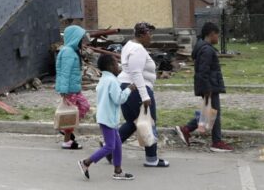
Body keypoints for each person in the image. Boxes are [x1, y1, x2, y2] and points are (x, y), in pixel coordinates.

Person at [118, 22, 170, 167]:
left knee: (133, 122)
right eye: (149, 34)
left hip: (126, 86)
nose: (151, 37)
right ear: (141, 35)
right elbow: (136, 74)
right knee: (149, 121)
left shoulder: (129, 45)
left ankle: (109, 149)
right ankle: (151, 158)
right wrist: (145, 96)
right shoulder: (138, 49)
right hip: (137, 89)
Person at [175, 22, 234, 152]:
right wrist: (207, 89)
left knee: (209, 112)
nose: (218, 38)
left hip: (209, 86)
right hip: (209, 87)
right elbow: (203, 71)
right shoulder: (207, 50)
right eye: (217, 35)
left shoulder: (203, 48)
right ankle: (216, 142)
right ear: (211, 34)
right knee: (214, 113)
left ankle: (187, 129)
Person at [78, 54, 136, 181]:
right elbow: (119, 99)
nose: (118, 66)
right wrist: (129, 89)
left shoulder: (104, 79)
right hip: (108, 119)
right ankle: (86, 162)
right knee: (110, 146)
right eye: (116, 64)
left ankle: (118, 171)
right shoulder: (112, 81)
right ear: (110, 67)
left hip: (106, 117)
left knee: (118, 144)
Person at [55, 24, 90, 150]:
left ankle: (66, 129)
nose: (82, 40)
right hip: (69, 90)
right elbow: (65, 73)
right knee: (70, 114)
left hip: (75, 88)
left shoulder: (71, 51)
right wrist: (64, 91)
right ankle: (67, 141)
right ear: (74, 38)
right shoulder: (68, 52)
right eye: (80, 38)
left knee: (84, 106)